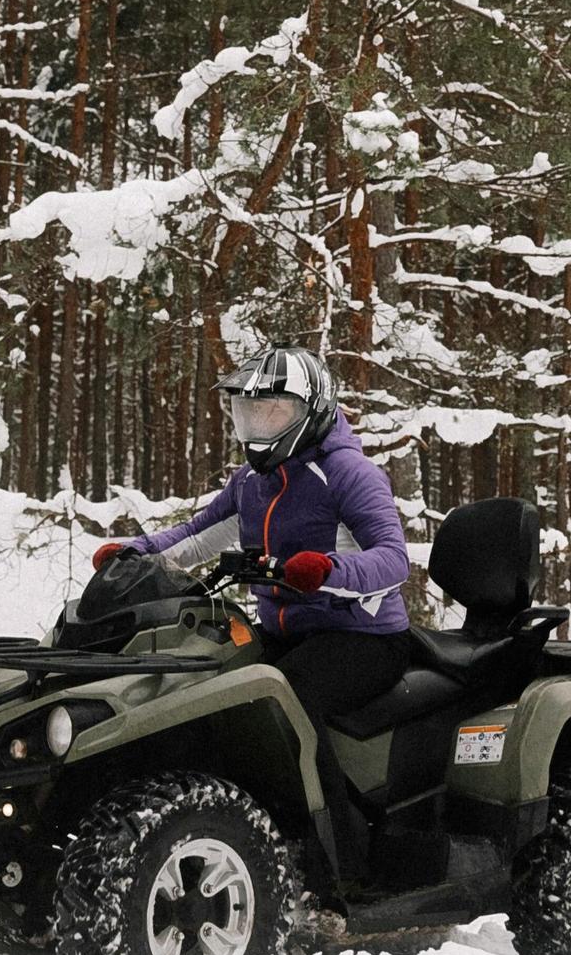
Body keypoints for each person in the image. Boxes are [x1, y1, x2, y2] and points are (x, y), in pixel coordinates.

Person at [92, 345, 410, 885]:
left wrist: (327, 570)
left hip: (363, 637)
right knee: (214, 693)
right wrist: (134, 553)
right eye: (249, 412)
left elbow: (392, 559)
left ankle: (342, 867)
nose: (259, 425)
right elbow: (195, 536)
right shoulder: (252, 481)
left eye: (273, 411)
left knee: (287, 706)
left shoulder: (350, 473)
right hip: (287, 634)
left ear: (311, 408)